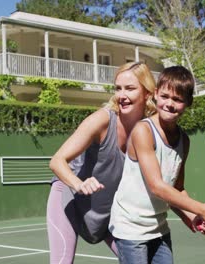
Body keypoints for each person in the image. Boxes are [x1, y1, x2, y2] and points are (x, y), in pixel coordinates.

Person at [108, 66, 205, 264]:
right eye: (164, 96)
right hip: (130, 228)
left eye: (178, 99)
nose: (169, 104)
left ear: (188, 102)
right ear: (155, 94)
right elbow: (157, 186)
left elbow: (177, 189)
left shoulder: (184, 140)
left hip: (158, 228)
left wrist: (191, 217)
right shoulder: (143, 131)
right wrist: (200, 209)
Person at [46, 62, 157, 264]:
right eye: (118, 88)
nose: (121, 95)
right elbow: (57, 161)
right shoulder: (102, 120)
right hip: (69, 199)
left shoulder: (149, 130)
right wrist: (79, 184)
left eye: (130, 88)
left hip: (109, 214)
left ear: (148, 93)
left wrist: (191, 213)